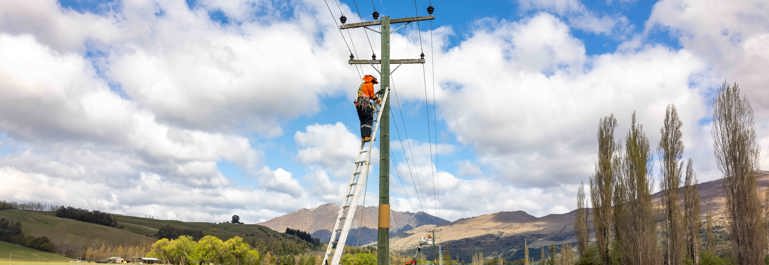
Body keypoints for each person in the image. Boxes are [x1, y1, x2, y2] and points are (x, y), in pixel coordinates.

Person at [355, 74, 380, 142]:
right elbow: (372, 95)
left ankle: (363, 137)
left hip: (358, 104)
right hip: (364, 103)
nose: (373, 84)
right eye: (374, 82)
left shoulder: (362, 85)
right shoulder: (369, 84)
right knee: (369, 119)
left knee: (363, 121)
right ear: (371, 80)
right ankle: (367, 136)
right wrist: (378, 101)